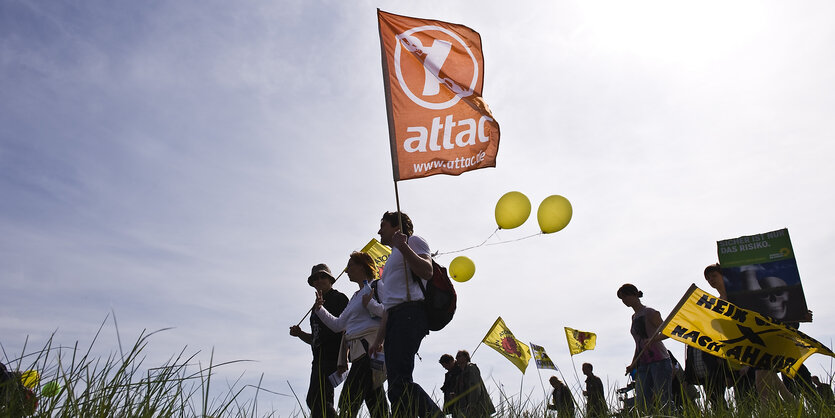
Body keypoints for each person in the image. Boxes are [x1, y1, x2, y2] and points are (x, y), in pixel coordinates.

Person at [368, 211, 442, 417]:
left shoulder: (414, 241)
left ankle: (434, 414)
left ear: (396, 227)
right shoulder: (392, 259)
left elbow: (427, 271)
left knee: (400, 381)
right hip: (395, 319)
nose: (379, 231)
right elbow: (390, 304)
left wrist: (404, 246)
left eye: (383, 225)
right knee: (395, 385)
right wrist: (379, 339)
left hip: (410, 314)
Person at [314, 252, 389, 418]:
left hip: (369, 350)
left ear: (361, 266)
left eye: (350, 266)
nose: (347, 270)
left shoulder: (377, 286)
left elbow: (389, 312)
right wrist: (320, 309)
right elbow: (338, 325)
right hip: (358, 354)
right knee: (376, 403)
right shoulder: (355, 297)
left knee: (349, 401)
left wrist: (371, 304)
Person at [290, 264, 349, 418]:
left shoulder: (339, 298)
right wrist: (300, 334)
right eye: (315, 278)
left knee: (317, 400)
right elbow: (316, 338)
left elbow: (345, 329)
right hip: (318, 360)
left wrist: (343, 357)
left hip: (332, 358)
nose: (319, 280)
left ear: (330, 279)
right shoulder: (315, 306)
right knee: (317, 401)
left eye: (322, 276)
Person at [618, 283, 673, 412]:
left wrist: (653, 339)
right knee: (641, 400)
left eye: (625, 296)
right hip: (643, 364)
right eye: (621, 299)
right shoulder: (634, 317)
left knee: (664, 398)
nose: (624, 301)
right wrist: (633, 364)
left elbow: (668, 331)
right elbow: (638, 344)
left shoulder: (650, 312)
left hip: (659, 360)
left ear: (634, 294)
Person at [453, 350, 494, 418]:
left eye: (459, 356)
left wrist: (472, 405)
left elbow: (475, 387)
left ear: (466, 357)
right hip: (464, 407)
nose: (456, 358)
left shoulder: (471, 368)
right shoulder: (460, 374)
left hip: (476, 406)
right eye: (456, 357)